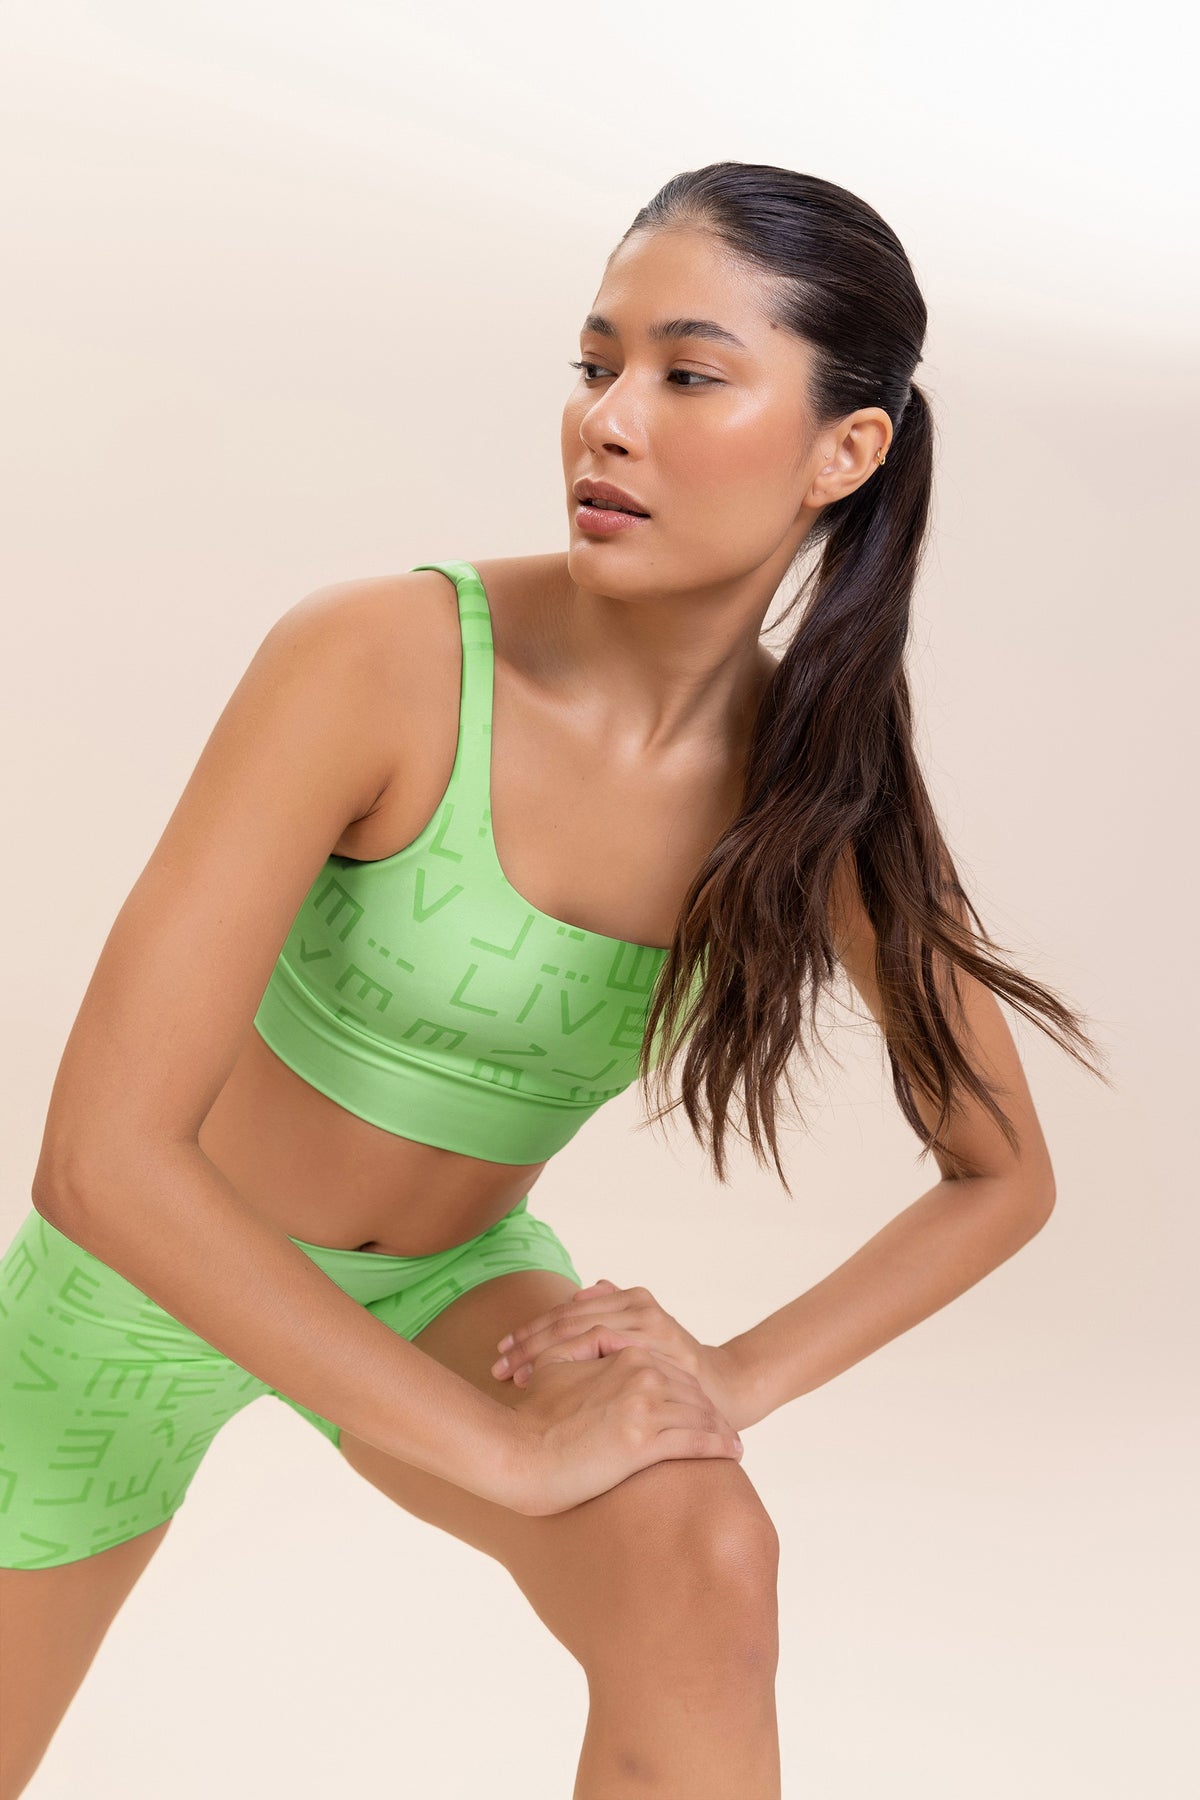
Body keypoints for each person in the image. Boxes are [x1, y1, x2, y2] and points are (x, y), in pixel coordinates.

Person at [0, 161, 1106, 1800]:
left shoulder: (819, 794)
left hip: (455, 1297)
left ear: (845, 450)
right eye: (596, 365)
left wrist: (731, 1377)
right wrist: (506, 1455)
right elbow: (100, 1164)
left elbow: (1001, 1171)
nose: (609, 421)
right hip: (137, 1293)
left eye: (690, 375)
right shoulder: (374, 659)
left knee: (705, 1558)